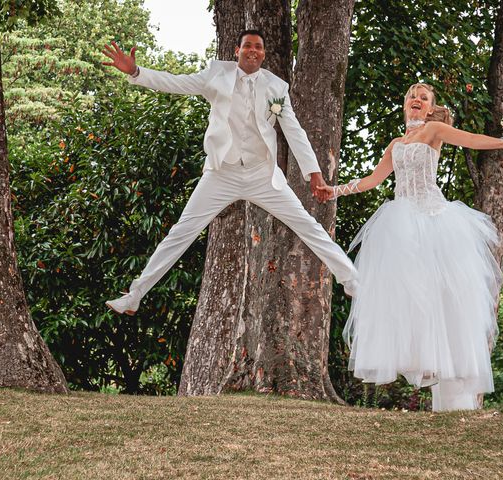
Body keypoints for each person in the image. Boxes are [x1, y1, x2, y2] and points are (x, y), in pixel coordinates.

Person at [101, 30, 358, 315]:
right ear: (237, 50)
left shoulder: (277, 87)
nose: (253, 50)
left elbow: (293, 131)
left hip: (262, 175)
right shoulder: (216, 75)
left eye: (258, 47)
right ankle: (135, 294)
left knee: (307, 225)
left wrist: (314, 172)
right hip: (222, 173)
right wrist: (136, 71)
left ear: (263, 53)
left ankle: (351, 279)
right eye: (247, 45)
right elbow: (176, 82)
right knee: (181, 232)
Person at [321, 83, 503, 411]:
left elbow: (469, 139)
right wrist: (335, 190)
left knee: (439, 297)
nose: (416, 99)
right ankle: (421, 361)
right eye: (411, 95)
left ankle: (452, 385)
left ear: (429, 109)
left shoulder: (434, 131)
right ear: (405, 105)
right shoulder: (396, 144)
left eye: (423, 97)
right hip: (400, 223)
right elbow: (372, 180)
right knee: (407, 298)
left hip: (433, 219)